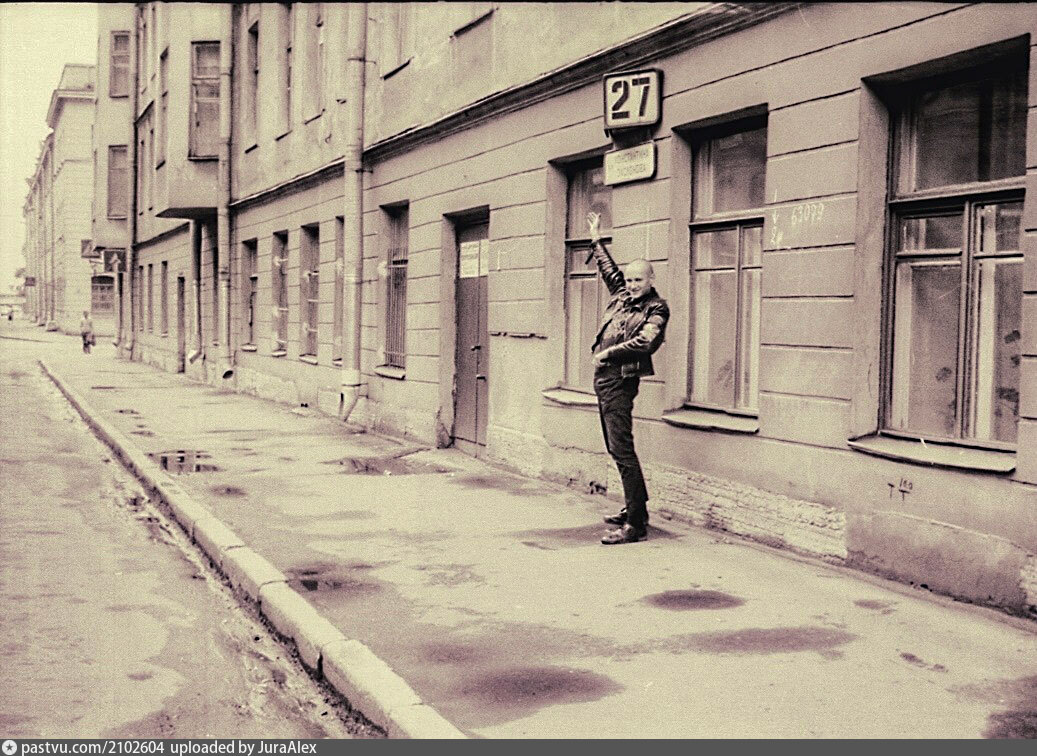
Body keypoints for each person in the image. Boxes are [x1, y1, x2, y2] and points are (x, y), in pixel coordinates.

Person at [586, 211, 670, 545]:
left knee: (622, 450)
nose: (632, 285)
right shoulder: (622, 296)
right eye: (629, 279)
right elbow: (609, 270)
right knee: (615, 447)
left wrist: (608, 354)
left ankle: (636, 524)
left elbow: (646, 343)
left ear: (651, 280)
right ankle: (635, 507)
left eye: (638, 280)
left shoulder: (656, 309)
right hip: (604, 381)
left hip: (620, 382)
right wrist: (596, 239)